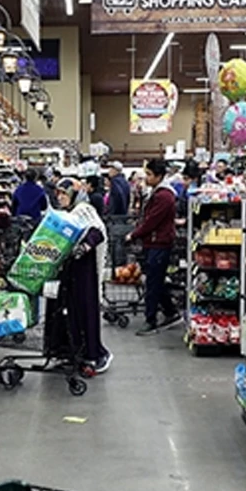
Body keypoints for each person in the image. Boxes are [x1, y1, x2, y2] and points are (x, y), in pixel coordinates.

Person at [48, 178, 112, 373]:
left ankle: (93, 354)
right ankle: (65, 351)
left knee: (83, 311)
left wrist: (84, 246)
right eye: (58, 193)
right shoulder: (61, 214)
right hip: (64, 271)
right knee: (61, 311)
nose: (60, 197)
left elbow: (97, 231)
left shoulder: (84, 210)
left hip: (83, 271)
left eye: (64, 193)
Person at [125, 158, 183, 336]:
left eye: (149, 175)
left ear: (159, 176)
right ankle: (171, 312)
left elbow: (152, 221)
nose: (146, 178)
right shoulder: (157, 193)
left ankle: (151, 321)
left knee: (153, 283)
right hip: (155, 242)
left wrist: (133, 235)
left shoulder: (164, 196)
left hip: (159, 243)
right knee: (156, 280)